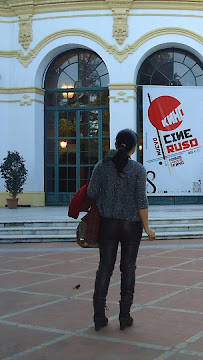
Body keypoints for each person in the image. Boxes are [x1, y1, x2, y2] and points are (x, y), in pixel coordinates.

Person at [87, 129, 156, 332]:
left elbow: (91, 192)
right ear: (134, 149)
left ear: (116, 145)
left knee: (105, 268)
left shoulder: (101, 166)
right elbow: (141, 201)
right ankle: (124, 317)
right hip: (131, 226)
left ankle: (99, 316)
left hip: (108, 224)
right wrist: (147, 228)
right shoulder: (138, 170)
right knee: (128, 269)